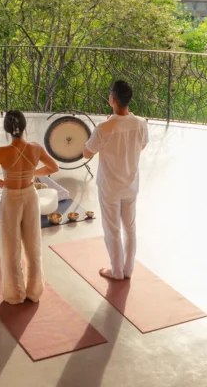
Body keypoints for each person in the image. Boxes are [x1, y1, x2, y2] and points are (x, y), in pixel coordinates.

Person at [0, 111, 59, 304]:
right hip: (30, 196)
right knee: (33, 245)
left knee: (11, 247)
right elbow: (53, 167)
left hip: (11, 199)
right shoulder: (35, 148)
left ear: (7, 129)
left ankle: (15, 294)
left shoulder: (1, 152)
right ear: (24, 127)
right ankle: (34, 291)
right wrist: (32, 173)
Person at [82, 80, 148, 281]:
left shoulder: (104, 128)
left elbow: (86, 153)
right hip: (131, 185)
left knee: (112, 230)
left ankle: (116, 271)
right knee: (130, 228)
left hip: (110, 187)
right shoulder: (141, 123)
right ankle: (128, 270)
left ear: (112, 99)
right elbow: (142, 146)